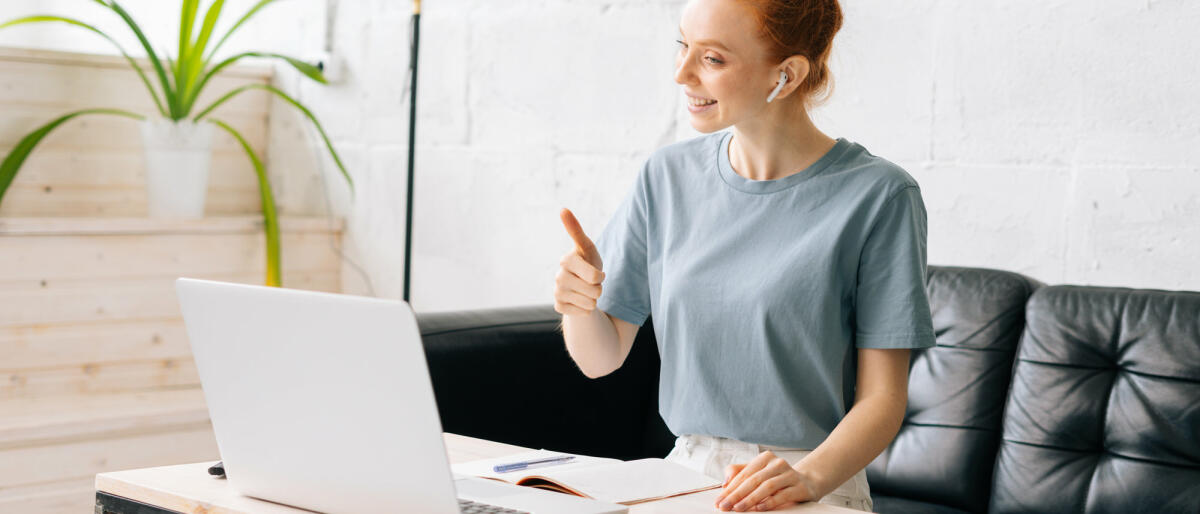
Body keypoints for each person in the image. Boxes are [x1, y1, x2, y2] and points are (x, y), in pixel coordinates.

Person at [553, 0, 934, 511]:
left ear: (787, 75)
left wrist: (807, 479)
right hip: (682, 476)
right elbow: (601, 359)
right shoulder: (665, 178)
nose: (681, 73)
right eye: (683, 47)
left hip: (808, 482)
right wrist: (578, 306)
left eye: (712, 59)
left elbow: (883, 401)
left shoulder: (879, 196)